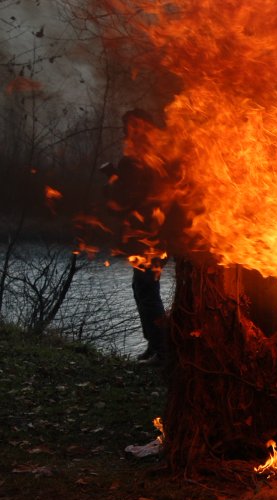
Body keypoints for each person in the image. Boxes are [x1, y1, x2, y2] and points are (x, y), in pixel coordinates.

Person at [101, 109, 169, 365]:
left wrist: (112, 181)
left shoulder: (142, 157)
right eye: (127, 125)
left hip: (151, 235)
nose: (130, 130)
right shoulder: (148, 156)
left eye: (135, 125)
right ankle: (154, 345)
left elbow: (127, 198)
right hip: (149, 234)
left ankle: (161, 349)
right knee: (142, 287)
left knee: (146, 289)